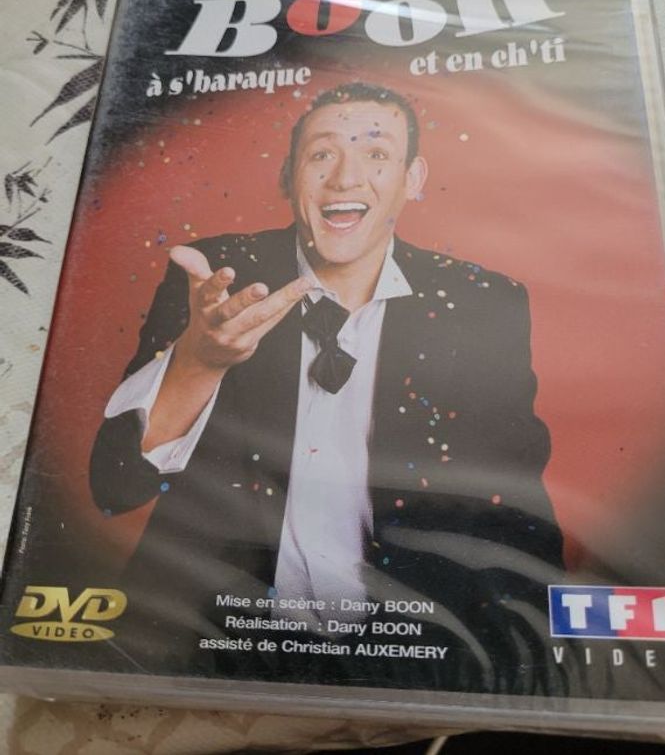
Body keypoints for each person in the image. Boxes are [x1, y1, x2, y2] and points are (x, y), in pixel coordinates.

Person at [90, 82, 564, 692]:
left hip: (417, 657)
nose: (345, 178)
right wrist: (198, 362)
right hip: (206, 647)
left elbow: (517, 515)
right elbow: (114, 486)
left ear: (412, 178)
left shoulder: (482, 302)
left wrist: (534, 666)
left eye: (376, 153)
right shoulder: (215, 277)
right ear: (289, 177)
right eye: (321, 154)